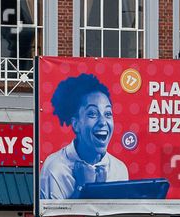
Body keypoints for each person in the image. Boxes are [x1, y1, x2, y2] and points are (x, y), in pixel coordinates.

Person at [39, 73, 130, 201]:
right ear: (76, 124)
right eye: (92, 114)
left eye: (108, 114)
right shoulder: (55, 167)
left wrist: (100, 189)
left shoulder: (119, 169)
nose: (103, 122)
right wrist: (82, 187)